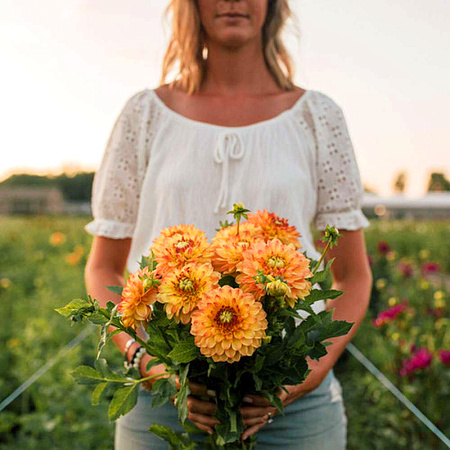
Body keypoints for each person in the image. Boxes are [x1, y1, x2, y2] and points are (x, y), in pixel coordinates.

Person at [84, 0, 373, 448]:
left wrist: (304, 378)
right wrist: (148, 362)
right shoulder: (145, 114)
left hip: (294, 409)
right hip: (162, 398)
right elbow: (103, 268)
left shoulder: (318, 116)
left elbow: (353, 274)